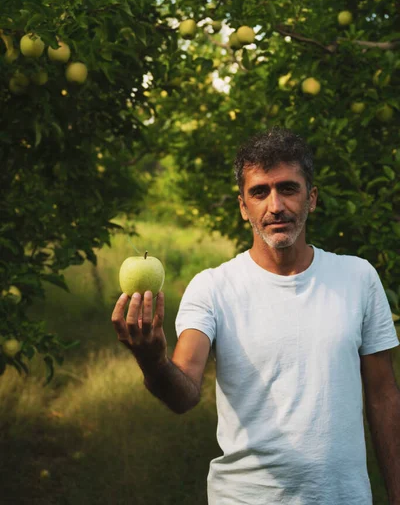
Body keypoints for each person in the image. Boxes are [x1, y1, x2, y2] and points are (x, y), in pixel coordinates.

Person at [112, 126, 400, 505]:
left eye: (288, 188)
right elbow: (183, 393)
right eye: (259, 192)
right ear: (243, 206)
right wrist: (151, 361)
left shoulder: (358, 277)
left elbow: (382, 397)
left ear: (311, 198)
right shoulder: (213, 287)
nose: (275, 205)